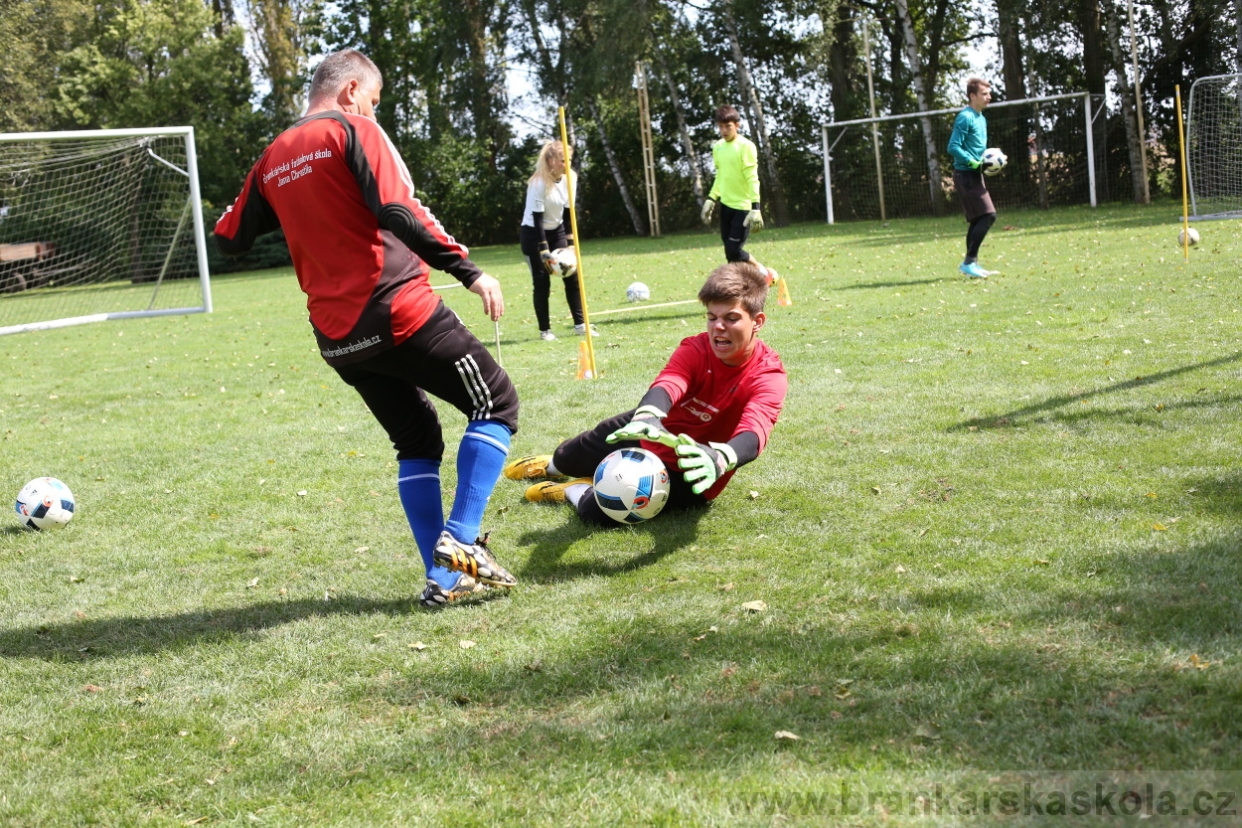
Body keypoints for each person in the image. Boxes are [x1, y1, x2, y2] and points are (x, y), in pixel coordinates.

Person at [214, 49, 519, 608]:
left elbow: (229, 236)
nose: (374, 114)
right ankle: (460, 541)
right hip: (398, 309)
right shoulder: (352, 128)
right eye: (374, 102)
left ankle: (444, 577)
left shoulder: (274, 155)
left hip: (338, 337)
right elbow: (400, 211)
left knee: (417, 439)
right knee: (496, 403)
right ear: (352, 90)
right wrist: (469, 271)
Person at [502, 262, 786, 525]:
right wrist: (648, 417)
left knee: (594, 512)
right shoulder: (695, 348)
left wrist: (721, 458)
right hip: (647, 431)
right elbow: (669, 383)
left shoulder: (768, 375)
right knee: (567, 455)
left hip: (690, 473)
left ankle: (572, 489)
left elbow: (754, 431)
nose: (718, 327)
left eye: (731, 318)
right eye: (711, 317)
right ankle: (552, 466)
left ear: (757, 321)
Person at [700, 105, 778, 286]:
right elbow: (720, 177)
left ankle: (760, 273)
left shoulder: (746, 146)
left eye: (728, 126)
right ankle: (746, 283)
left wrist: (756, 208)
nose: (724, 130)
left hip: (743, 208)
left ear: (737, 125)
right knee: (730, 254)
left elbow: (753, 178)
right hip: (726, 206)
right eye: (720, 126)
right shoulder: (718, 147)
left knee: (733, 249)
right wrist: (711, 199)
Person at [519, 140, 588, 340]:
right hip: (534, 234)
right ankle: (545, 331)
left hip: (557, 230)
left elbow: (568, 214)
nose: (567, 165)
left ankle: (580, 325)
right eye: (562, 161)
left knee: (572, 275)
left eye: (569, 160)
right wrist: (543, 250)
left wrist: (571, 245)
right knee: (542, 282)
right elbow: (538, 219)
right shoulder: (538, 182)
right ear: (550, 161)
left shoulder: (570, 178)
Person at [947, 77, 1000, 279]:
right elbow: (953, 147)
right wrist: (973, 163)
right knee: (988, 215)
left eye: (989, 93)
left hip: (975, 174)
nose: (989, 97)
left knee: (978, 218)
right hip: (966, 174)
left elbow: (977, 148)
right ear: (972, 96)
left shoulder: (981, 118)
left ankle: (972, 264)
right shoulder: (965, 117)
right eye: (984, 94)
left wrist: (994, 158)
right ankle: (968, 263)